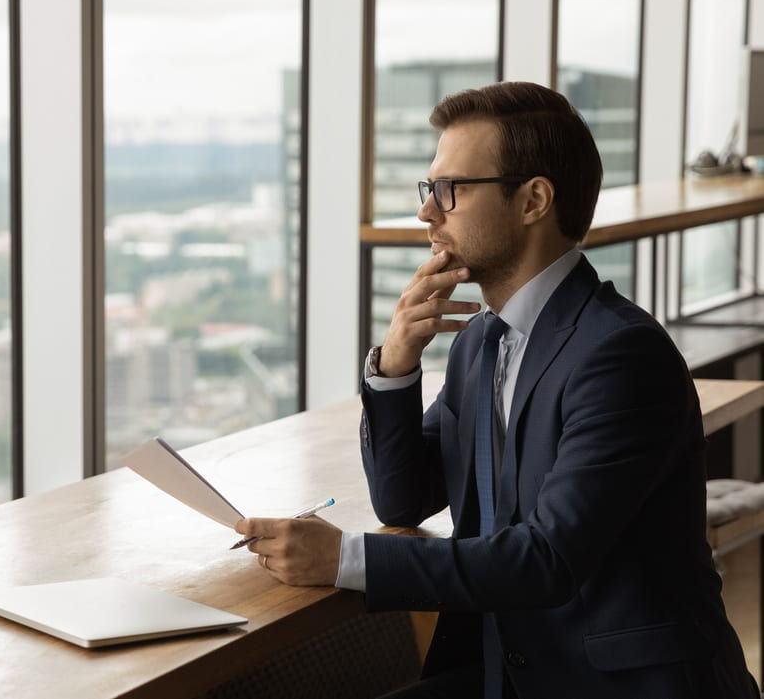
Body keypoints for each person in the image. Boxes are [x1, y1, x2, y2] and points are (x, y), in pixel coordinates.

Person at [234, 82, 759, 698]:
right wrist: (396, 363)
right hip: (513, 670)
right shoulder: (481, 343)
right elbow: (404, 499)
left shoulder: (620, 355)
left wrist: (344, 558)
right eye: (429, 190)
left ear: (534, 199)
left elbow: (548, 560)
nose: (428, 212)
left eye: (451, 191)